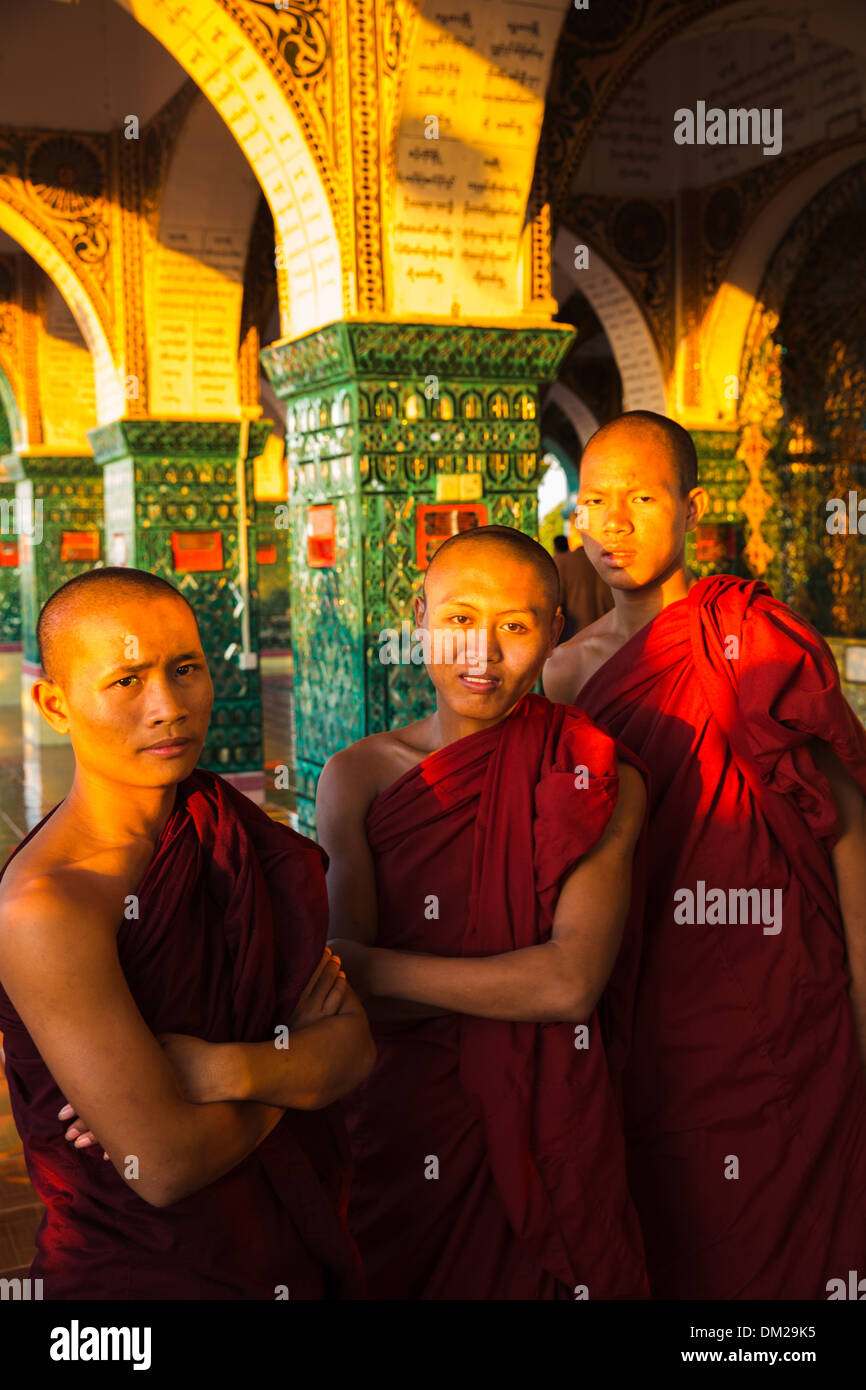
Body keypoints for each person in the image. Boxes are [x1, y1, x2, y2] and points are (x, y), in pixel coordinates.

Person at [543, 410, 866, 1300]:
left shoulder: (749, 636)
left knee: (784, 1240)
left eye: (641, 499)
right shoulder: (565, 673)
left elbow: (851, 829)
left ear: (691, 507)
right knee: (673, 1229)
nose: (614, 523)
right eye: (594, 501)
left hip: (779, 1000)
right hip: (640, 1005)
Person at [0, 567, 375, 1299]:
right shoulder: (49, 907)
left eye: (186, 670)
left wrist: (221, 1072)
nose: (168, 707)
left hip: (281, 1246)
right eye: (127, 681)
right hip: (138, 1278)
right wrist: (292, 1068)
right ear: (55, 703)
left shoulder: (227, 834)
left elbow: (354, 1049)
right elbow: (166, 1165)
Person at [317, 524, 649, 1299]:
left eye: (515, 626)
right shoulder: (358, 777)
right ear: (420, 616)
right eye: (460, 619)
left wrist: (367, 969)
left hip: (548, 1117)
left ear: (555, 631)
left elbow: (568, 985)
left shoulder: (595, 772)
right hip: (404, 1118)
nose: (482, 654)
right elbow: (346, 996)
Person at [552, 532, 614, 641]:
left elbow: (554, 608)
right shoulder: (614, 561)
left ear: (571, 535)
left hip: (573, 641)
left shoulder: (562, 563)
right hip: (611, 640)